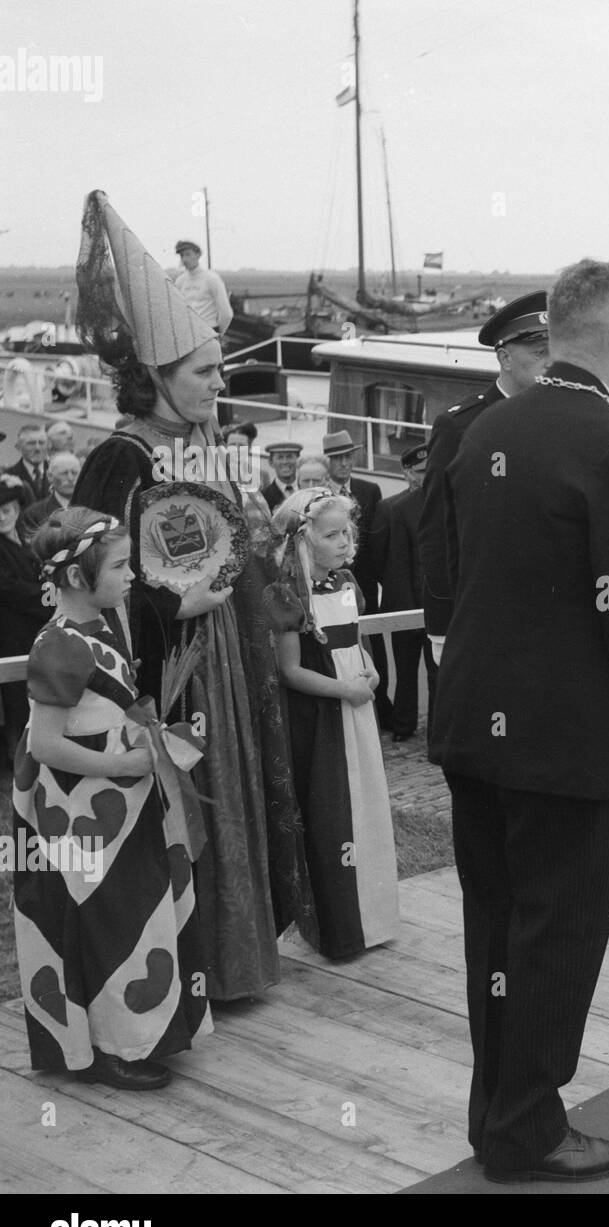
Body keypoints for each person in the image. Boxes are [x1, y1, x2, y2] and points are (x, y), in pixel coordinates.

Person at [429, 258, 609, 1183]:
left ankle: (498, 1114)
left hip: (477, 726)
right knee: (555, 939)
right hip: (566, 740)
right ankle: (529, 1130)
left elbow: (458, 573)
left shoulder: (487, 428)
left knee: (496, 931)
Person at [72, 190, 315, 1001]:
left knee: (231, 803)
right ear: (156, 377)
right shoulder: (121, 458)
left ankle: (235, 962)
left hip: (228, 670)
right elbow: (81, 583)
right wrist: (174, 609)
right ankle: (185, 974)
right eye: (204, 371)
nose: (220, 382)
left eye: (219, 368)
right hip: (170, 677)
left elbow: (240, 549)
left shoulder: (210, 444)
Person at [12, 507, 211, 1088]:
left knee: (132, 912)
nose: (132, 576)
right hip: (82, 807)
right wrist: (121, 763)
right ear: (78, 577)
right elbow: (46, 744)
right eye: (121, 566)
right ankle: (105, 1048)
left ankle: (136, 1033)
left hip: (118, 802)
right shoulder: (58, 646)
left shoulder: (98, 629)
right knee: (104, 920)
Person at [266, 489, 400, 958]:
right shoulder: (288, 594)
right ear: (303, 541)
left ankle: (374, 918)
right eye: (331, 535)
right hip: (321, 716)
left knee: (365, 802)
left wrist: (370, 669)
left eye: (347, 532)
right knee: (332, 811)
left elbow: (355, 641)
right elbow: (289, 670)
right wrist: (344, 689)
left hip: (355, 706)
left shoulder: (345, 582)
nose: (344, 542)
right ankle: (340, 927)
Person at [417, 290, 550, 757]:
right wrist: (441, 627)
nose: (550, 363)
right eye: (539, 352)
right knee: (484, 747)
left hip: (546, 619)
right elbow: (437, 531)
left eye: (555, 351)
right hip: (482, 620)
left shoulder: (563, 422)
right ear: (505, 356)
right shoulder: (461, 426)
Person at [321, 430, 390, 729]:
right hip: (330, 584)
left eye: (348, 456)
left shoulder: (369, 489)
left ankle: (382, 705)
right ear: (328, 462)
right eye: (338, 458)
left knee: (373, 641)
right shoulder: (320, 495)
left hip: (364, 583)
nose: (344, 463)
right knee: (341, 641)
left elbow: (377, 539)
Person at [373, 443, 432, 742]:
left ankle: (437, 729)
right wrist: (402, 605)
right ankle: (404, 724)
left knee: (437, 670)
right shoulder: (394, 508)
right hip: (405, 602)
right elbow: (388, 562)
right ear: (408, 472)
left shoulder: (443, 503)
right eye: (420, 471)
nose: (426, 476)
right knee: (405, 670)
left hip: (435, 604)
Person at [0, 474, 52, 767]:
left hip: (35, 628)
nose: (1, 517)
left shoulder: (25, 538)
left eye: (6, 510)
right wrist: (49, 598)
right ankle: (20, 760)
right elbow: (10, 589)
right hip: (10, 631)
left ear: (17, 510)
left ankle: (38, 754)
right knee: (16, 699)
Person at [18, 450, 80, 544]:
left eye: (75, 473)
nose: (71, 478)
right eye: (64, 473)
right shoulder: (34, 514)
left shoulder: (94, 507)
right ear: (50, 476)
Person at [173, 239, 233, 334]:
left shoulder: (212, 279)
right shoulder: (180, 281)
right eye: (182, 255)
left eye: (188, 254)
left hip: (207, 332)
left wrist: (218, 334)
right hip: (186, 333)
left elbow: (226, 313)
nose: (184, 259)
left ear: (198, 254)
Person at [3, 422, 49, 503]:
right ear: (18, 447)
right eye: (31, 443)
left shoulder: (60, 472)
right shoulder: (8, 476)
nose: (37, 448)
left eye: (42, 443)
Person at [262, 440, 303, 512]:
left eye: (289, 457)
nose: (285, 462)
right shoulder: (263, 497)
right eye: (280, 457)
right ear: (271, 462)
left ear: (298, 461)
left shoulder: (307, 490)